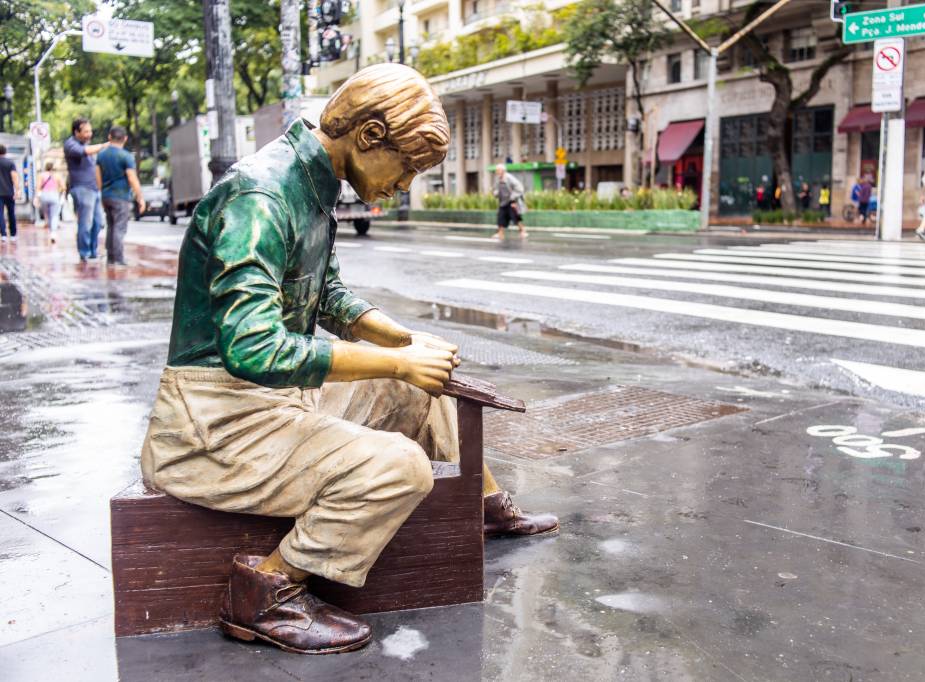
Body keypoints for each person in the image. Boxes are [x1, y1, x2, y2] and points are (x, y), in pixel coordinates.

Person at [140, 64, 557, 656]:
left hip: (271, 399)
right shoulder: (260, 197)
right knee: (401, 467)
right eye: (407, 166)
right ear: (368, 136)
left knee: (420, 387)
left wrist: (403, 345)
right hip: (212, 423)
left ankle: (482, 509)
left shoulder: (312, 185)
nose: (404, 184)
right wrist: (391, 362)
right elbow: (253, 347)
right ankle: (266, 590)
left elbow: (328, 295)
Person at [96, 126, 146, 266]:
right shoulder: (126, 156)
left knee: (111, 226)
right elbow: (132, 177)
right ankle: (118, 259)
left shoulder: (101, 155)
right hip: (120, 196)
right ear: (125, 138)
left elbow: (97, 177)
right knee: (119, 227)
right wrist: (140, 197)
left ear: (109, 137)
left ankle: (110, 258)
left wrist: (101, 193)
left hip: (106, 196)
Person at [64, 117, 109, 263]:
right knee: (86, 222)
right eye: (86, 131)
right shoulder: (71, 145)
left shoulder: (86, 144)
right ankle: (84, 252)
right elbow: (86, 151)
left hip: (94, 189)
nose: (89, 134)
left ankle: (93, 252)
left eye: (90, 131)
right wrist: (104, 145)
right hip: (82, 188)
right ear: (76, 132)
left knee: (98, 222)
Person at [492, 163, 527, 239]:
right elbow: (496, 189)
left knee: (515, 217)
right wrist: (496, 193)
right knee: (500, 217)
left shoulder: (509, 178)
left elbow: (520, 188)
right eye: (496, 170)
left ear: (503, 170)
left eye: (498, 170)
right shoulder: (498, 179)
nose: (496, 172)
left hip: (511, 201)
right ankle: (500, 233)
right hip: (503, 202)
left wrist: (512, 197)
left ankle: (523, 231)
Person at [35, 161, 67, 244]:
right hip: (54, 195)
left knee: (47, 214)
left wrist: (37, 198)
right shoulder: (57, 176)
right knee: (55, 215)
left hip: (44, 195)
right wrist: (58, 192)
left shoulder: (41, 175)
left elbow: (38, 187)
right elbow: (63, 187)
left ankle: (49, 229)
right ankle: (53, 233)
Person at [0, 144, 18, 243]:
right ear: (5, 152)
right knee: (11, 213)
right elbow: (14, 176)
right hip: (9, 192)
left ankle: (3, 235)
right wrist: (17, 189)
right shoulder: (10, 163)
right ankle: (13, 234)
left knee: (0, 214)